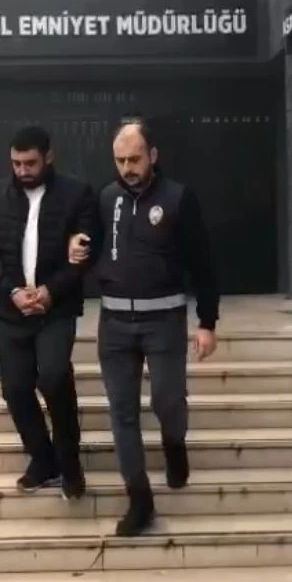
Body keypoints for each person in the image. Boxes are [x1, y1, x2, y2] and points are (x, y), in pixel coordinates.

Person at [68, 117, 219, 537]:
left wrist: (207, 322)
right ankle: (139, 499)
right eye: (120, 161)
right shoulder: (107, 198)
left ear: (153, 155)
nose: (127, 168)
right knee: (122, 412)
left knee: (168, 401)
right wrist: (77, 244)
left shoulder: (178, 198)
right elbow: (91, 240)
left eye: (134, 159)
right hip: (115, 323)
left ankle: (174, 444)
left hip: (164, 320)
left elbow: (203, 265)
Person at [0, 124, 99, 500]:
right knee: (14, 388)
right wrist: (13, 292)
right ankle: (43, 460)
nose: (23, 170)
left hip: (55, 310)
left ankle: (69, 462)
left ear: (49, 157)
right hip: (10, 310)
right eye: (16, 163)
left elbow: (84, 254)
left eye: (30, 163)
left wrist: (49, 291)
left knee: (55, 377)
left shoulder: (77, 194)